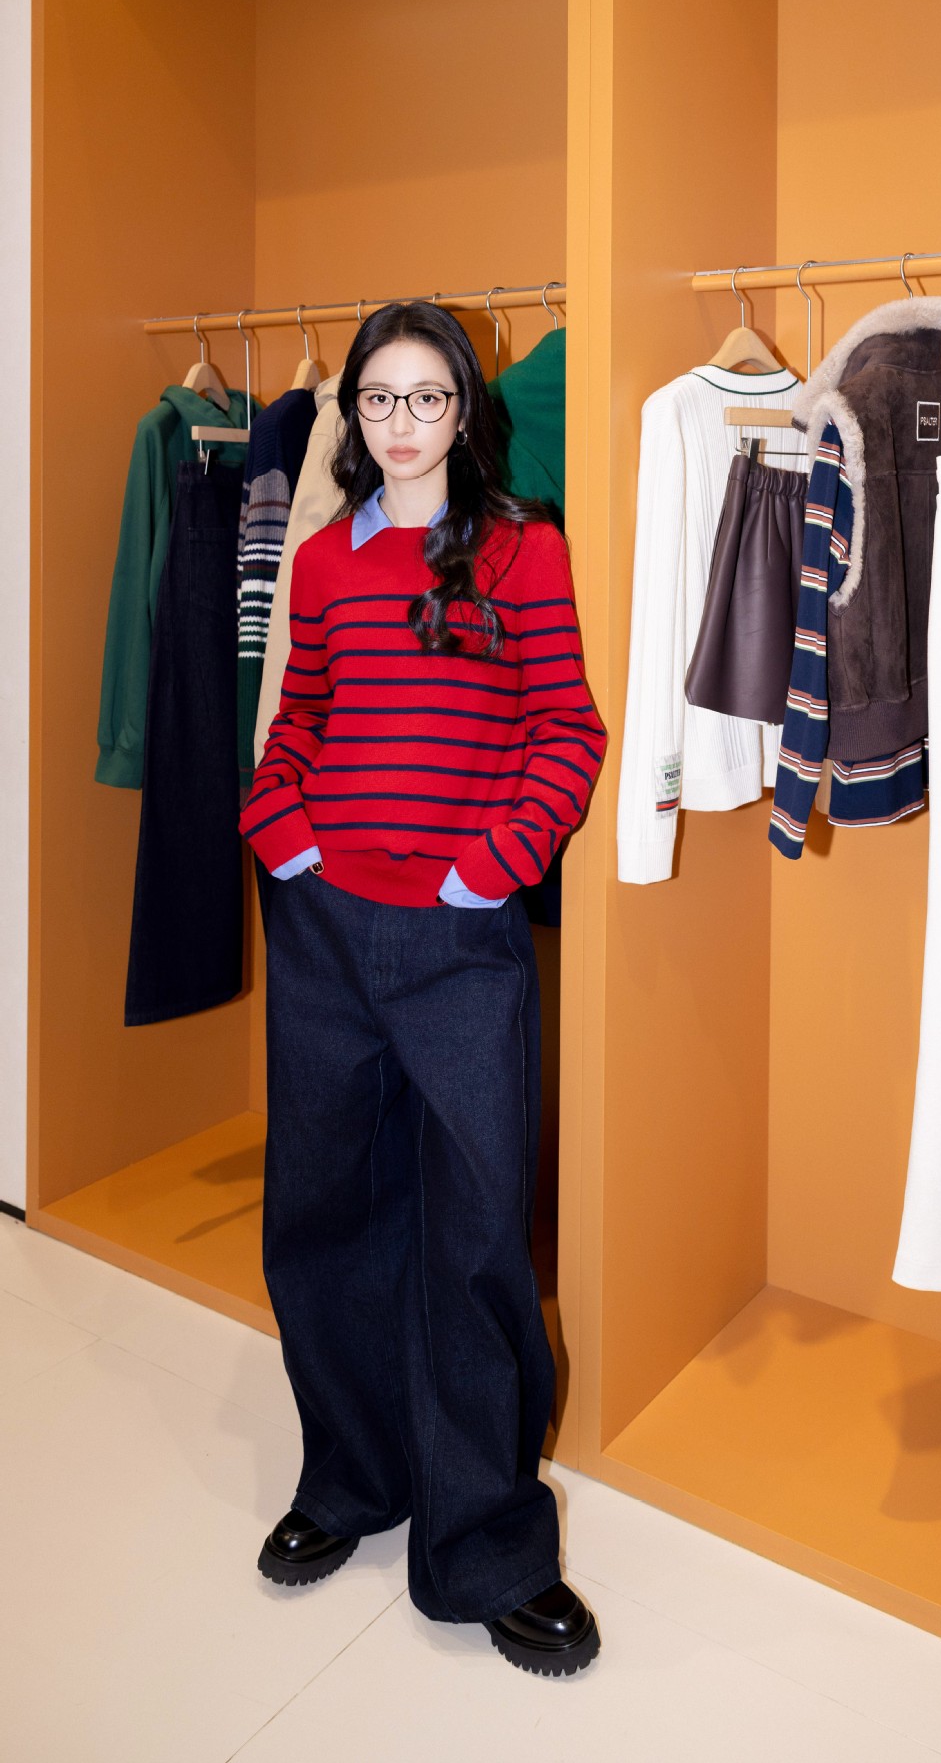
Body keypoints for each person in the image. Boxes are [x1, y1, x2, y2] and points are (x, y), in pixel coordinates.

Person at [238, 301, 606, 1677]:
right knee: (323, 1212)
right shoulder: (324, 560)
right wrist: (279, 825)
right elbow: (300, 718)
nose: (401, 423)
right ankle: (351, 1479)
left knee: (474, 1233)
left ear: (465, 409)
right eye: (379, 399)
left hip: (460, 943)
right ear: (355, 413)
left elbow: (569, 729)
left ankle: (488, 1545)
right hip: (325, 932)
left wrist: (490, 865)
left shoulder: (521, 549)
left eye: (427, 397)